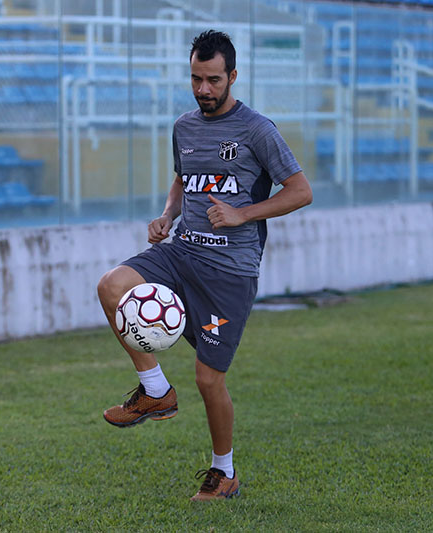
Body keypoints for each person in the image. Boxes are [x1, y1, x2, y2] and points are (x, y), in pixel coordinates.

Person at [97, 29, 312, 501]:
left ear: (233, 76)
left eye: (213, 80)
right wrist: (167, 215)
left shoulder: (258, 130)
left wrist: (242, 213)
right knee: (112, 286)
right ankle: (154, 390)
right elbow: (182, 177)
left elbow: (300, 191)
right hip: (182, 253)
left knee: (208, 379)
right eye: (196, 79)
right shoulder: (184, 126)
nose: (203, 90)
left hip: (230, 272)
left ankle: (224, 472)